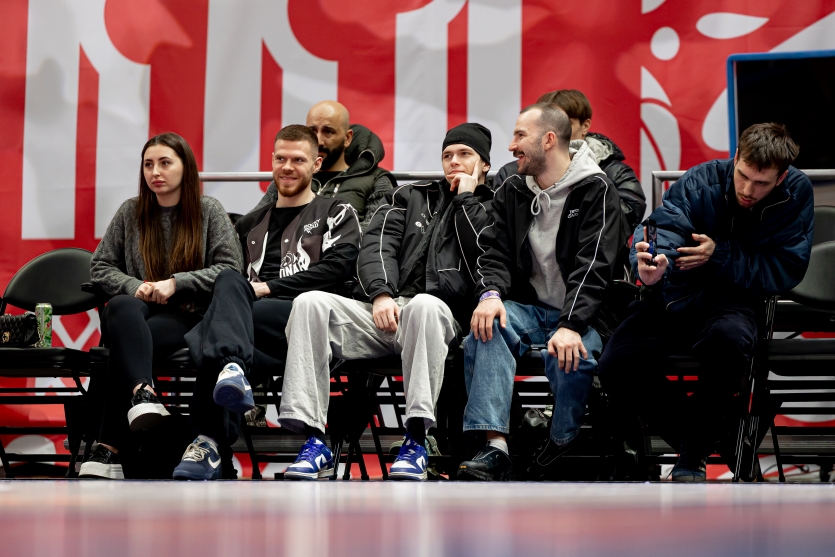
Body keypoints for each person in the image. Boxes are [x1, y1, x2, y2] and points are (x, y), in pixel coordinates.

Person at [276, 123, 495, 481]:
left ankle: (416, 441)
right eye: (447, 155)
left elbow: (486, 256)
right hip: (386, 311)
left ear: (484, 164)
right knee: (310, 303)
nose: (454, 161)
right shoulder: (411, 196)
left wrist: (466, 200)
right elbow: (377, 244)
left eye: (464, 154)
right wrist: (380, 294)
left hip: (441, 318)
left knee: (424, 305)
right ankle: (314, 441)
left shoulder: (493, 204)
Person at [598, 123, 814, 482]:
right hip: (672, 296)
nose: (748, 190)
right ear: (736, 157)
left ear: (781, 178)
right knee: (615, 365)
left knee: (728, 341)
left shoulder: (796, 193)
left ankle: (692, 456)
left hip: (733, 302)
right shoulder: (702, 179)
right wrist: (649, 268)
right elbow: (664, 229)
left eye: (761, 183)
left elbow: (786, 268)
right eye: (743, 176)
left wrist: (720, 254)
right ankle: (726, 440)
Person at [170, 125, 362, 480]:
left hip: (307, 320)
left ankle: (208, 441)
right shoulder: (249, 223)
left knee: (215, 332)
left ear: (317, 164)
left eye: (298, 160)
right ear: (271, 161)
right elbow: (227, 278)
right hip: (255, 336)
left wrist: (267, 288)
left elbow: (338, 269)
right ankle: (223, 401)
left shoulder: (336, 211)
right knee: (227, 287)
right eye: (280, 158)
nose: (287, 167)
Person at [458, 104, 627, 481]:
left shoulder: (597, 189)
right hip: (530, 309)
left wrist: (570, 325)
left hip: (585, 315)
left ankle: (561, 438)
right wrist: (490, 295)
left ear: (548, 140)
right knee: (485, 328)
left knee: (570, 352)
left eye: (520, 136)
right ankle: (495, 447)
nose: (511, 145)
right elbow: (495, 252)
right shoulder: (512, 188)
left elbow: (594, 267)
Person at [79, 132, 243, 479]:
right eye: (149, 164)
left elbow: (230, 270)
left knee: (123, 346)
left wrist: (176, 283)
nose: (155, 172)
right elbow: (100, 265)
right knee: (120, 306)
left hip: (189, 316)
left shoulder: (208, 211)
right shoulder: (131, 211)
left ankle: (108, 450)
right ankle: (144, 393)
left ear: (186, 167)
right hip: (138, 312)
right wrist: (135, 286)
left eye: (165, 163)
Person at [494, 89, 646, 231]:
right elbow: (498, 230)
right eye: (547, 125)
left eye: (565, 124)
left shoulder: (614, 173)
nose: (558, 132)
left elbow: (624, 221)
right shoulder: (511, 174)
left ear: (585, 126)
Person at [254, 100, 395, 231]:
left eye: (328, 132)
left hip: (345, 250)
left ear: (347, 138)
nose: (318, 141)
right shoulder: (290, 175)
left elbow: (377, 233)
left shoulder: (376, 181)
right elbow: (253, 225)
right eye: (312, 131)